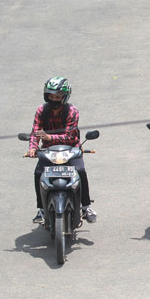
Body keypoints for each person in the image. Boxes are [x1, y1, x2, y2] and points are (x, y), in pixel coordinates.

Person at [25, 77, 96, 224]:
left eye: (57, 96)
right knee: (39, 173)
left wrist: (49, 137)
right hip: (49, 151)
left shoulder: (72, 111)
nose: (54, 99)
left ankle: (86, 207)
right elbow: (35, 132)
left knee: (80, 171)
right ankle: (41, 209)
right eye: (51, 96)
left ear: (65, 97)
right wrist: (32, 148)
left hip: (71, 149)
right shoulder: (41, 110)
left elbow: (70, 136)